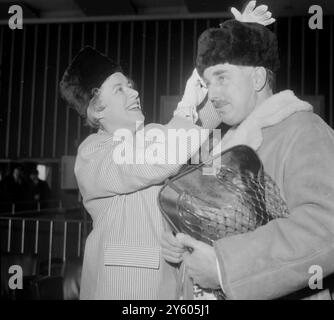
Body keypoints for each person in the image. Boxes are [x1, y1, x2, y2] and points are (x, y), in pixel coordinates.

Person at [59, 2, 276, 299]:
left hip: (169, 287)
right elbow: (155, 155)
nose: (134, 92)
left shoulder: (150, 137)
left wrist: (235, 44)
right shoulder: (93, 154)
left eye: (130, 85)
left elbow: (203, 115)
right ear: (97, 111)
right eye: (119, 89)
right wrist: (187, 103)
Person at [161, 19, 334, 300]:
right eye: (207, 83)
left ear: (257, 79)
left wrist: (223, 266)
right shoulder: (222, 144)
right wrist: (182, 241)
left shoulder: (304, 129)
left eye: (222, 77)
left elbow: (326, 227)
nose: (212, 94)